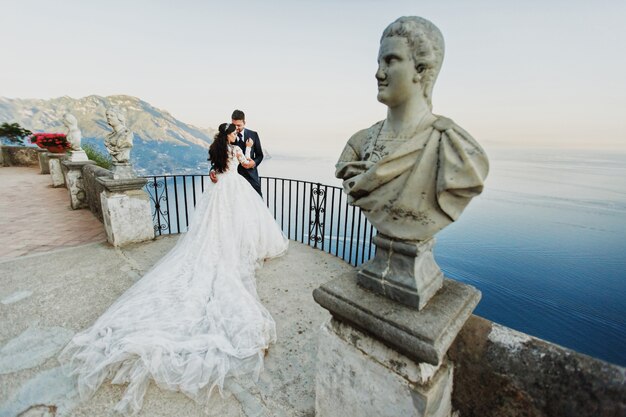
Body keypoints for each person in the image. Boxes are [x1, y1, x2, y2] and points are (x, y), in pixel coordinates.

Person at [59, 122, 288, 415]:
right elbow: (248, 163)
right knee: (238, 225)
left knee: (215, 227)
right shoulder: (234, 147)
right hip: (235, 190)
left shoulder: (216, 148)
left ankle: (222, 248)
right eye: (234, 132)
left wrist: (220, 170)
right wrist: (249, 150)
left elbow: (214, 174)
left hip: (219, 192)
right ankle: (238, 250)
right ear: (230, 134)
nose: (236, 135)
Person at [336, 16, 489, 242]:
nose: (378, 73)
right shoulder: (359, 143)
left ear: (420, 69)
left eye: (390, 61)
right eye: (379, 63)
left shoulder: (454, 148)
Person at [210, 109, 264, 197]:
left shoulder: (253, 135)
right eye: (234, 125)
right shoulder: (227, 136)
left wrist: (254, 163)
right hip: (232, 182)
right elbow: (220, 156)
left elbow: (260, 155)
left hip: (251, 177)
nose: (236, 128)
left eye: (239, 125)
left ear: (244, 122)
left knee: (256, 203)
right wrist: (212, 170)